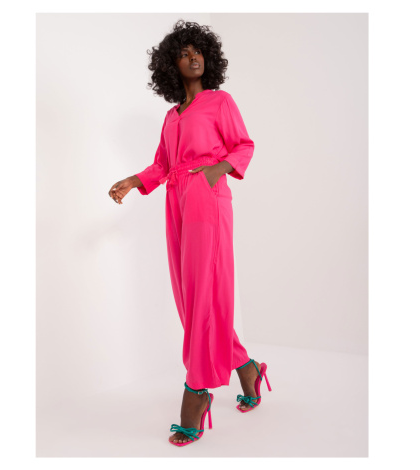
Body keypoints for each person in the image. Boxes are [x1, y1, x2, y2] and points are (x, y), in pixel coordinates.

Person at [108, 20, 271, 446]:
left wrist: (216, 170)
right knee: (190, 295)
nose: (193, 57)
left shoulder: (221, 102)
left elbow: (244, 145)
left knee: (204, 293)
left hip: (207, 197)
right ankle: (247, 369)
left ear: (208, 58)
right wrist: (133, 181)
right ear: (171, 65)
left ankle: (197, 389)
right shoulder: (171, 116)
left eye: (198, 51)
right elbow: (162, 165)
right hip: (176, 201)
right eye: (184, 53)